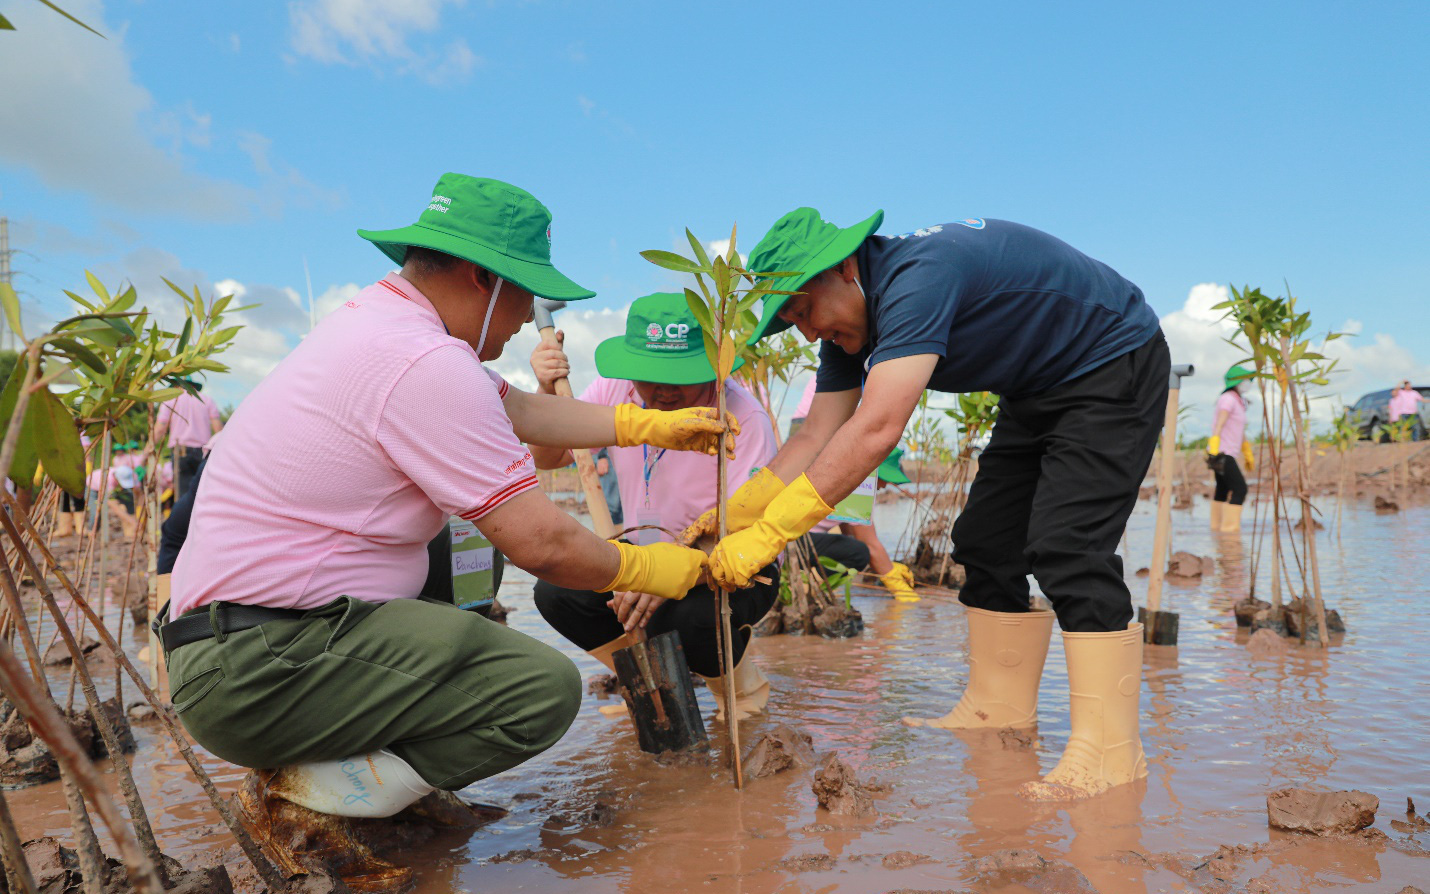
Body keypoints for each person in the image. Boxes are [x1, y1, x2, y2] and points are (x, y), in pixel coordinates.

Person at [161, 175, 729, 891]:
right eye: (524, 292)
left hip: (238, 647)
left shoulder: (383, 327)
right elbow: (543, 545)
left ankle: (374, 783)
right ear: (481, 277)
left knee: (446, 571)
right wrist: (651, 569)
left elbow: (519, 411)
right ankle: (311, 803)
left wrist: (648, 427)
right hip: (257, 666)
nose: (527, 316)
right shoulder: (423, 361)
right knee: (538, 690)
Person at [691, 209, 1169, 800]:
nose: (808, 333)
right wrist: (740, 512)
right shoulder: (851, 331)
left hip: (1111, 360)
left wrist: (771, 537)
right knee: (987, 542)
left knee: (1068, 546)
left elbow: (876, 429)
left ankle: (1113, 754)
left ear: (845, 266)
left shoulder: (918, 278)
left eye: (804, 311)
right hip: (1037, 389)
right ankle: (999, 709)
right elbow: (814, 436)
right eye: (791, 323)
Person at [528, 292, 780, 721]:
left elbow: (750, 537)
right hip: (638, 552)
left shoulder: (744, 416)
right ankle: (654, 684)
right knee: (559, 592)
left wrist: (666, 575)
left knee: (696, 619)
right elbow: (548, 457)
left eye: (678, 376)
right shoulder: (614, 390)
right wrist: (544, 391)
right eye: (650, 375)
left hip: (725, 562)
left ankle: (742, 695)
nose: (662, 390)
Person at [804, 448, 919, 602]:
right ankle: (811, 588)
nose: (885, 486)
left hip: (797, 538)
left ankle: (812, 585)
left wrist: (887, 564)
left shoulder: (844, 472)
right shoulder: (861, 486)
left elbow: (848, 530)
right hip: (798, 542)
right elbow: (870, 545)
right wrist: (899, 588)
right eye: (885, 478)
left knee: (851, 547)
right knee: (859, 553)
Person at [155, 380, 223, 502]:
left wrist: (148, 450)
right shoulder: (207, 400)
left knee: (183, 493)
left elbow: (160, 428)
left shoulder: (170, 400)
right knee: (202, 491)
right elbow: (218, 428)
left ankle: (185, 520)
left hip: (181, 450)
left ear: (177, 386)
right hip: (203, 451)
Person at [1206, 366, 1255, 532]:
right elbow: (1219, 424)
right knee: (1240, 489)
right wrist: (1214, 448)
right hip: (1221, 452)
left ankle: (1216, 530)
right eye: (1245, 379)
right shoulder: (1228, 399)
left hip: (1227, 451)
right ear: (1237, 381)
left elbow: (1240, 431)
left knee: (1223, 489)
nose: (1248, 383)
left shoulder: (1238, 401)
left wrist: (1247, 453)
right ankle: (1229, 533)